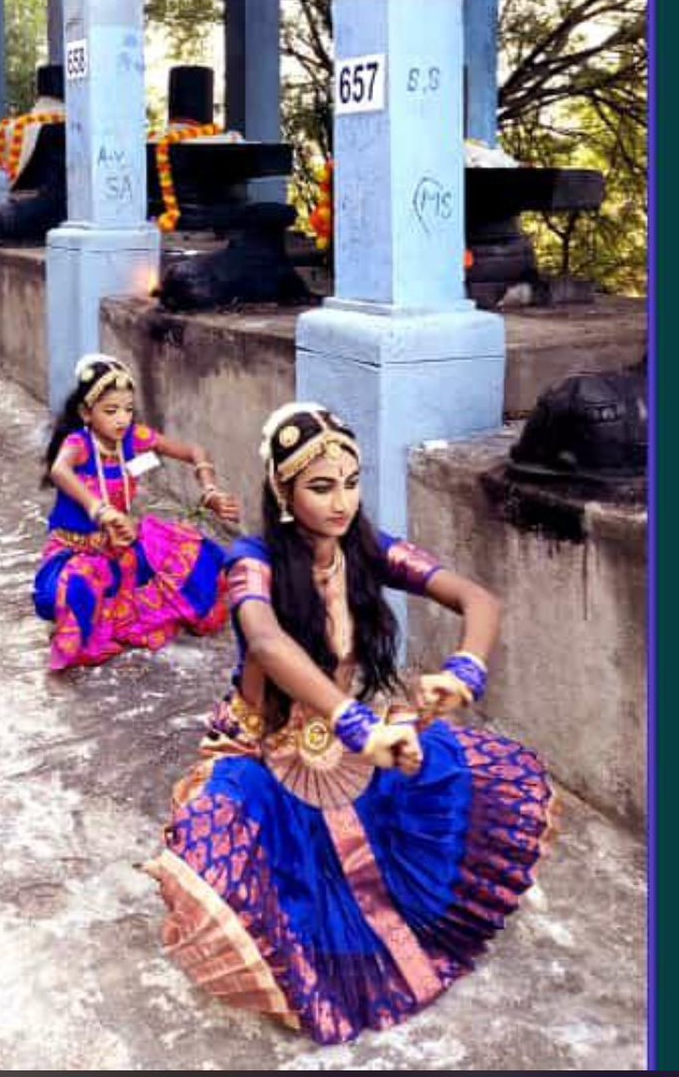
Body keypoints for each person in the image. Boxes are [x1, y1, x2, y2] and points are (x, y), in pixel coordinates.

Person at [147, 402, 556, 1045]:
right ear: (283, 491)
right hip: (263, 748)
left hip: (346, 742)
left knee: (456, 770)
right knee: (217, 846)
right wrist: (358, 723)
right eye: (320, 486)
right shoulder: (251, 563)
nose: (342, 502)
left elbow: (478, 599)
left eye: (350, 481)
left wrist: (464, 672)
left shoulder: (368, 550)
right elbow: (265, 641)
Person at [34, 354, 240, 671]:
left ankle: (113, 603)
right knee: (65, 595)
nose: (122, 419)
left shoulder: (133, 438)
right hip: (76, 551)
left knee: (200, 559)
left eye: (128, 410)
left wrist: (209, 489)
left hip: (123, 547)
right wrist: (100, 511)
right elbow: (60, 470)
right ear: (86, 413)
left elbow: (195, 451)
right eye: (111, 411)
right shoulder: (80, 443)